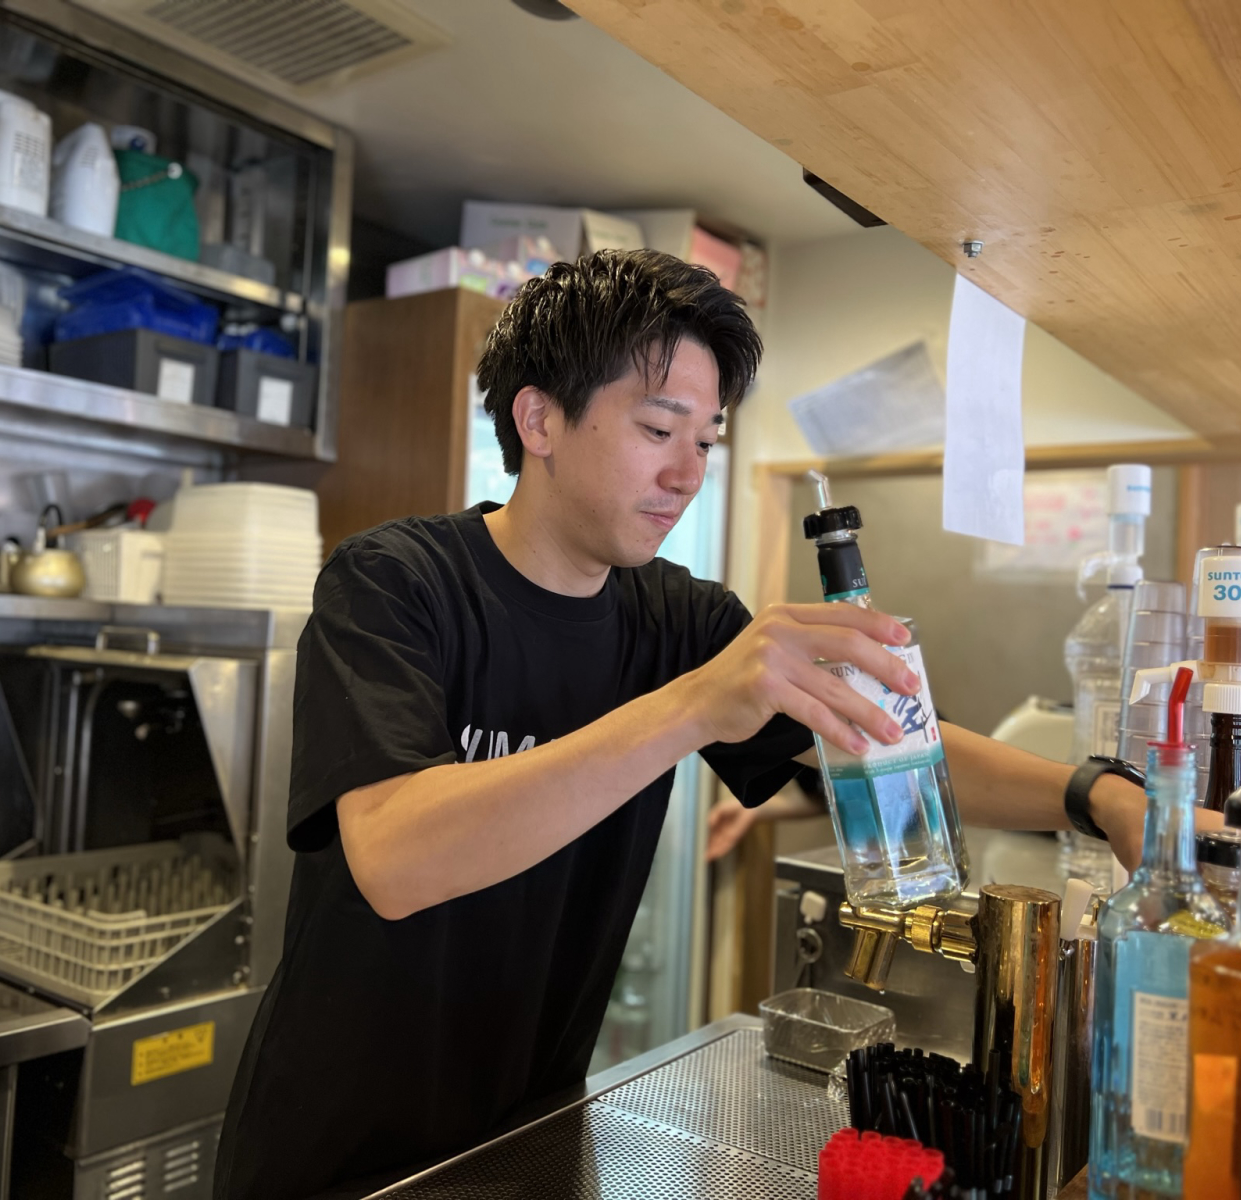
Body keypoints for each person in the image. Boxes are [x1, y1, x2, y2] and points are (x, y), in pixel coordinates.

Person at [214, 250, 1156, 1200]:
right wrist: (698, 701)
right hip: (334, 1157)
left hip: (530, 1138)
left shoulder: (679, 619)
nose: (686, 473)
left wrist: (1093, 793)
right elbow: (395, 857)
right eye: (659, 427)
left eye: (706, 441)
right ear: (537, 418)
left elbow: (878, 739)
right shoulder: (394, 583)